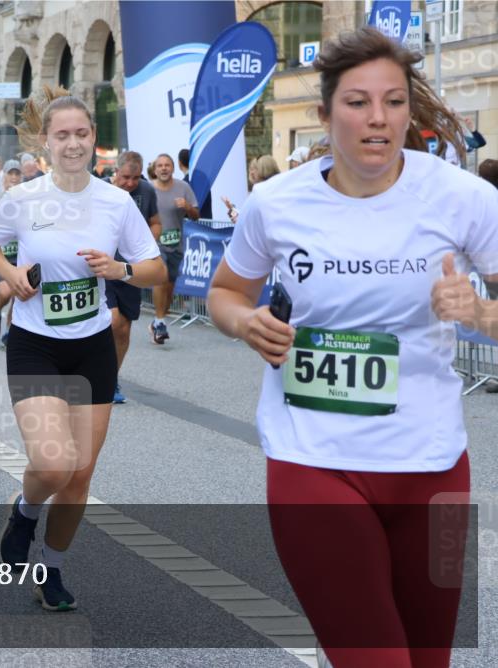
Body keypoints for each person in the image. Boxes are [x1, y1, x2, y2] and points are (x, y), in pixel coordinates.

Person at [207, 27, 497, 668]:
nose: (378, 118)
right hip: (313, 460)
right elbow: (225, 291)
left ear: (409, 112)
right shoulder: (277, 202)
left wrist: (480, 312)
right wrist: (245, 322)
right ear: (325, 113)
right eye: (358, 102)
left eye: (394, 102)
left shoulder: (464, 198)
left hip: (432, 466)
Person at [0, 86, 165, 611]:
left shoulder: (116, 201)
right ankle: (24, 511)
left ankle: (52, 570)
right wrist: (11, 273)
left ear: (94, 137)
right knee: (54, 463)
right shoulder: (23, 198)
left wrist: (119, 269)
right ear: (46, 141)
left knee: (79, 476)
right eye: (63, 135)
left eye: (82, 133)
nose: (73, 143)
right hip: (36, 345)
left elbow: (155, 269)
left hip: (92, 347)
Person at [106, 151, 161, 403]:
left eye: (136, 178)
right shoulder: (101, 191)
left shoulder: (146, 191)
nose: (130, 183)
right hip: (103, 267)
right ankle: (98, 373)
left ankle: (111, 379)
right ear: (116, 172)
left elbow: (156, 222)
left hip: (131, 269)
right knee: (113, 321)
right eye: (126, 177)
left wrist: (148, 244)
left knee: (124, 330)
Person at [149, 153, 199, 344]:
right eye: (160, 165)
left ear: (173, 168)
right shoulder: (149, 189)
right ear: (155, 170)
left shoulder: (183, 187)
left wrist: (187, 207)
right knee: (160, 279)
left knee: (169, 290)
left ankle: (156, 321)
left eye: (167, 165)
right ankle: (161, 323)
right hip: (155, 244)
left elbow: (196, 215)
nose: (163, 168)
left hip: (176, 244)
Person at [0, 159, 24, 347]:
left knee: (18, 293)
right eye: (11, 173)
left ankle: (9, 331)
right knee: (6, 291)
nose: (14, 177)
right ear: (4, 175)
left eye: (17, 173)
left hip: (19, 254)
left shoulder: (27, 197)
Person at [177, 148, 212, 218]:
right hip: (206, 223)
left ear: (179, 163)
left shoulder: (183, 184)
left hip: (192, 223)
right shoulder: (204, 178)